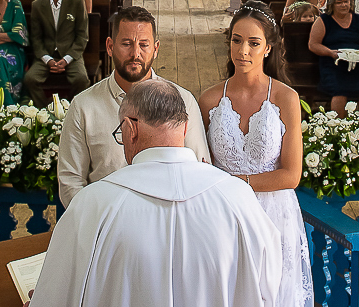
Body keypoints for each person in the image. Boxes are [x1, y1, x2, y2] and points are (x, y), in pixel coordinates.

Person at [29, 79, 282, 307]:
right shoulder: (238, 198)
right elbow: (268, 288)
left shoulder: (92, 205)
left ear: (130, 129)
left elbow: (56, 295)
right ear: (184, 129)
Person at [199, 2, 313, 307]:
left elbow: (291, 175)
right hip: (223, 216)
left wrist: (237, 183)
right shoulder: (209, 100)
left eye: (253, 43)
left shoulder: (286, 98)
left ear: (269, 48)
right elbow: (200, 167)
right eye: (237, 40)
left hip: (274, 214)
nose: (243, 51)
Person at [57, 5, 209, 208]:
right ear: (110, 46)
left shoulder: (184, 101)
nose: (135, 53)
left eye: (144, 45)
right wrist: (96, 223)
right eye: (127, 44)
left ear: (155, 49)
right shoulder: (84, 106)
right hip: (105, 224)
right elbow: (71, 181)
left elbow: (199, 170)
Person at [24, 0, 90, 106]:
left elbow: (82, 36)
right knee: (30, 79)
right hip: (47, 54)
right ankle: (44, 110)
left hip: (70, 54)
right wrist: (48, 60)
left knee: (82, 79)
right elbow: (36, 38)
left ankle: (71, 108)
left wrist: (66, 59)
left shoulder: (77, 3)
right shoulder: (37, 5)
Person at [308, 0, 359, 113]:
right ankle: (339, 127)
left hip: (358, 65)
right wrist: (330, 52)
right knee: (340, 92)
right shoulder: (323, 21)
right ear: (332, 4)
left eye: (346, 1)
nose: (344, 5)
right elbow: (313, 44)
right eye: (339, 2)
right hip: (334, 65)